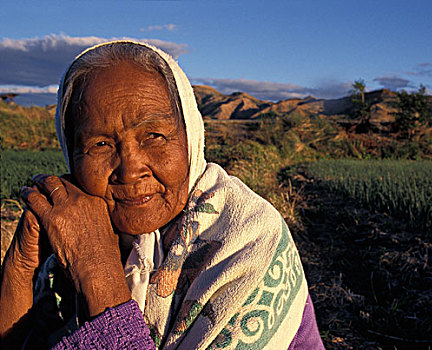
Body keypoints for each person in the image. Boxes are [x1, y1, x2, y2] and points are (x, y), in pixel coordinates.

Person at [0, 41, 324, 349]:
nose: (129, 170)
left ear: (190, 139)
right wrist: (21, 266)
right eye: (99, 144)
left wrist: (96, 271)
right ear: (71, 156)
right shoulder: (71, 234)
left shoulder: (248, 237)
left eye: (154, 136)